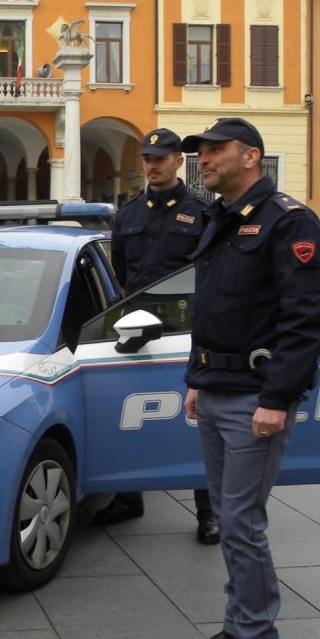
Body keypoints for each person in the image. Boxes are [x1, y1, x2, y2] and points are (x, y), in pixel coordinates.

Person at [178, 118, 320, 639]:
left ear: (251, 157)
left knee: (242, 526)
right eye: (203, 152)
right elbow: (212, 309)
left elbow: (309, 322)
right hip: (218, 388)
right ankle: (239, 627)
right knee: (228, 515)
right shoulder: (222, 218)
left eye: (215, 150)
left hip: (255, 397)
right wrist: (197, 378)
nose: (205, 160)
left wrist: (276, 399)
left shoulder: (289, 221)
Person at [95, 128, 220, 544]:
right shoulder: (128, 214)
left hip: (187, 331)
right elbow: (123, 277)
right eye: (147, 158)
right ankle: (129, 496)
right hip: (138, 331)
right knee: (130, 415)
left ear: (177, 162)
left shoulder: (202, 212)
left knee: (196, 420)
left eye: (160, 158)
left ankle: (208, 511)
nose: (152, 164)